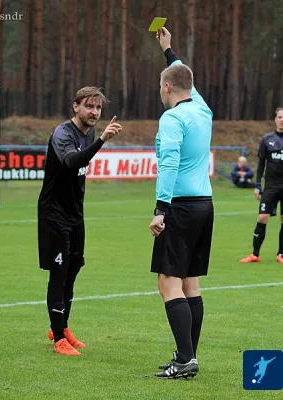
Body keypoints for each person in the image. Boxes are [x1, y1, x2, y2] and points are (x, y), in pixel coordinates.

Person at [37, 87, 122, 356]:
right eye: (89, 106)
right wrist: (102, 142)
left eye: (98, 108)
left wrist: (98, 140)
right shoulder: (63, 133)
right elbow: (72, 162)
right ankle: (59, 338)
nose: (94, 112)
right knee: (58, 273)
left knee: (73, 270)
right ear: (76, 107)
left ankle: (60, 326)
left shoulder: (90, 133)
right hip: (54, 215)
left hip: (75, 215)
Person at [149, 28, 214, 379]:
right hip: (205, 204)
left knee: (167, 282)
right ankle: (187, 354)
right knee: (190, 283)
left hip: (181, 206)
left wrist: (161, 209)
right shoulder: (202, 110)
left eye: (162, 84)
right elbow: (181, 72)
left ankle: (185, 359)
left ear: (167, 88)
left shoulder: (172, 117)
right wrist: (168, 49)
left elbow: (169, 162)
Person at [240, 108, 283, 264]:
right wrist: (258, 185)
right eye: (279, 117)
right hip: (271, 187)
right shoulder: (267, 139)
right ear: (275, 119)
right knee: (262, 217)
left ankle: (281, 254)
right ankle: (255, 254)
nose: (282, 120)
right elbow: (260, 164)